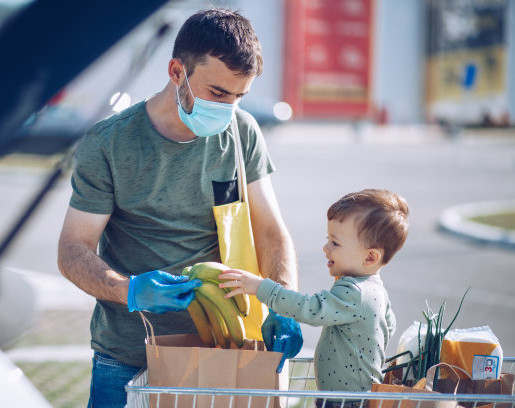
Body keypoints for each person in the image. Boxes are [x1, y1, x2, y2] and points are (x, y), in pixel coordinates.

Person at [57, 8, 302, 407]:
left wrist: (285, 302)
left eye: (239, 96)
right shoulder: (108, 143)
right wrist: (129, 290)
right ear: (176, 72)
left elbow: (271, 233)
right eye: (217, 93)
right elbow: (72, 250)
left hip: (225, 351)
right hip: (127, 358)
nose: (227, 109)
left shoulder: (242, 132)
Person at [220, 189, 410, 407]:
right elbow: (389, 325)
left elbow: (310, 309)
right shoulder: (376, 290)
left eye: (335, 243)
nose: (325, 248)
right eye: (327, 239)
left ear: (370, 257)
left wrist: (263, 288)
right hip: (356, 397)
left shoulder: (354, 292)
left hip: (344, 401)